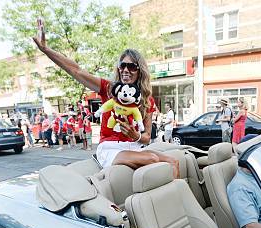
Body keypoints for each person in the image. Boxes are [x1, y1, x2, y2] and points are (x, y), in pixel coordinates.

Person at [33, 19, 178, 176]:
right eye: (122, 65)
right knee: (151, 158)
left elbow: (147, 137)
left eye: (132, 66)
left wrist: (135, 135)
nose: (126, 70)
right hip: (111, 148)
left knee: (174, 161)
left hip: (134, 147)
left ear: (139, 70)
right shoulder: (108, 88)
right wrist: (46, 49)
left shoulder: (146, 99)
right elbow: (75, 70)